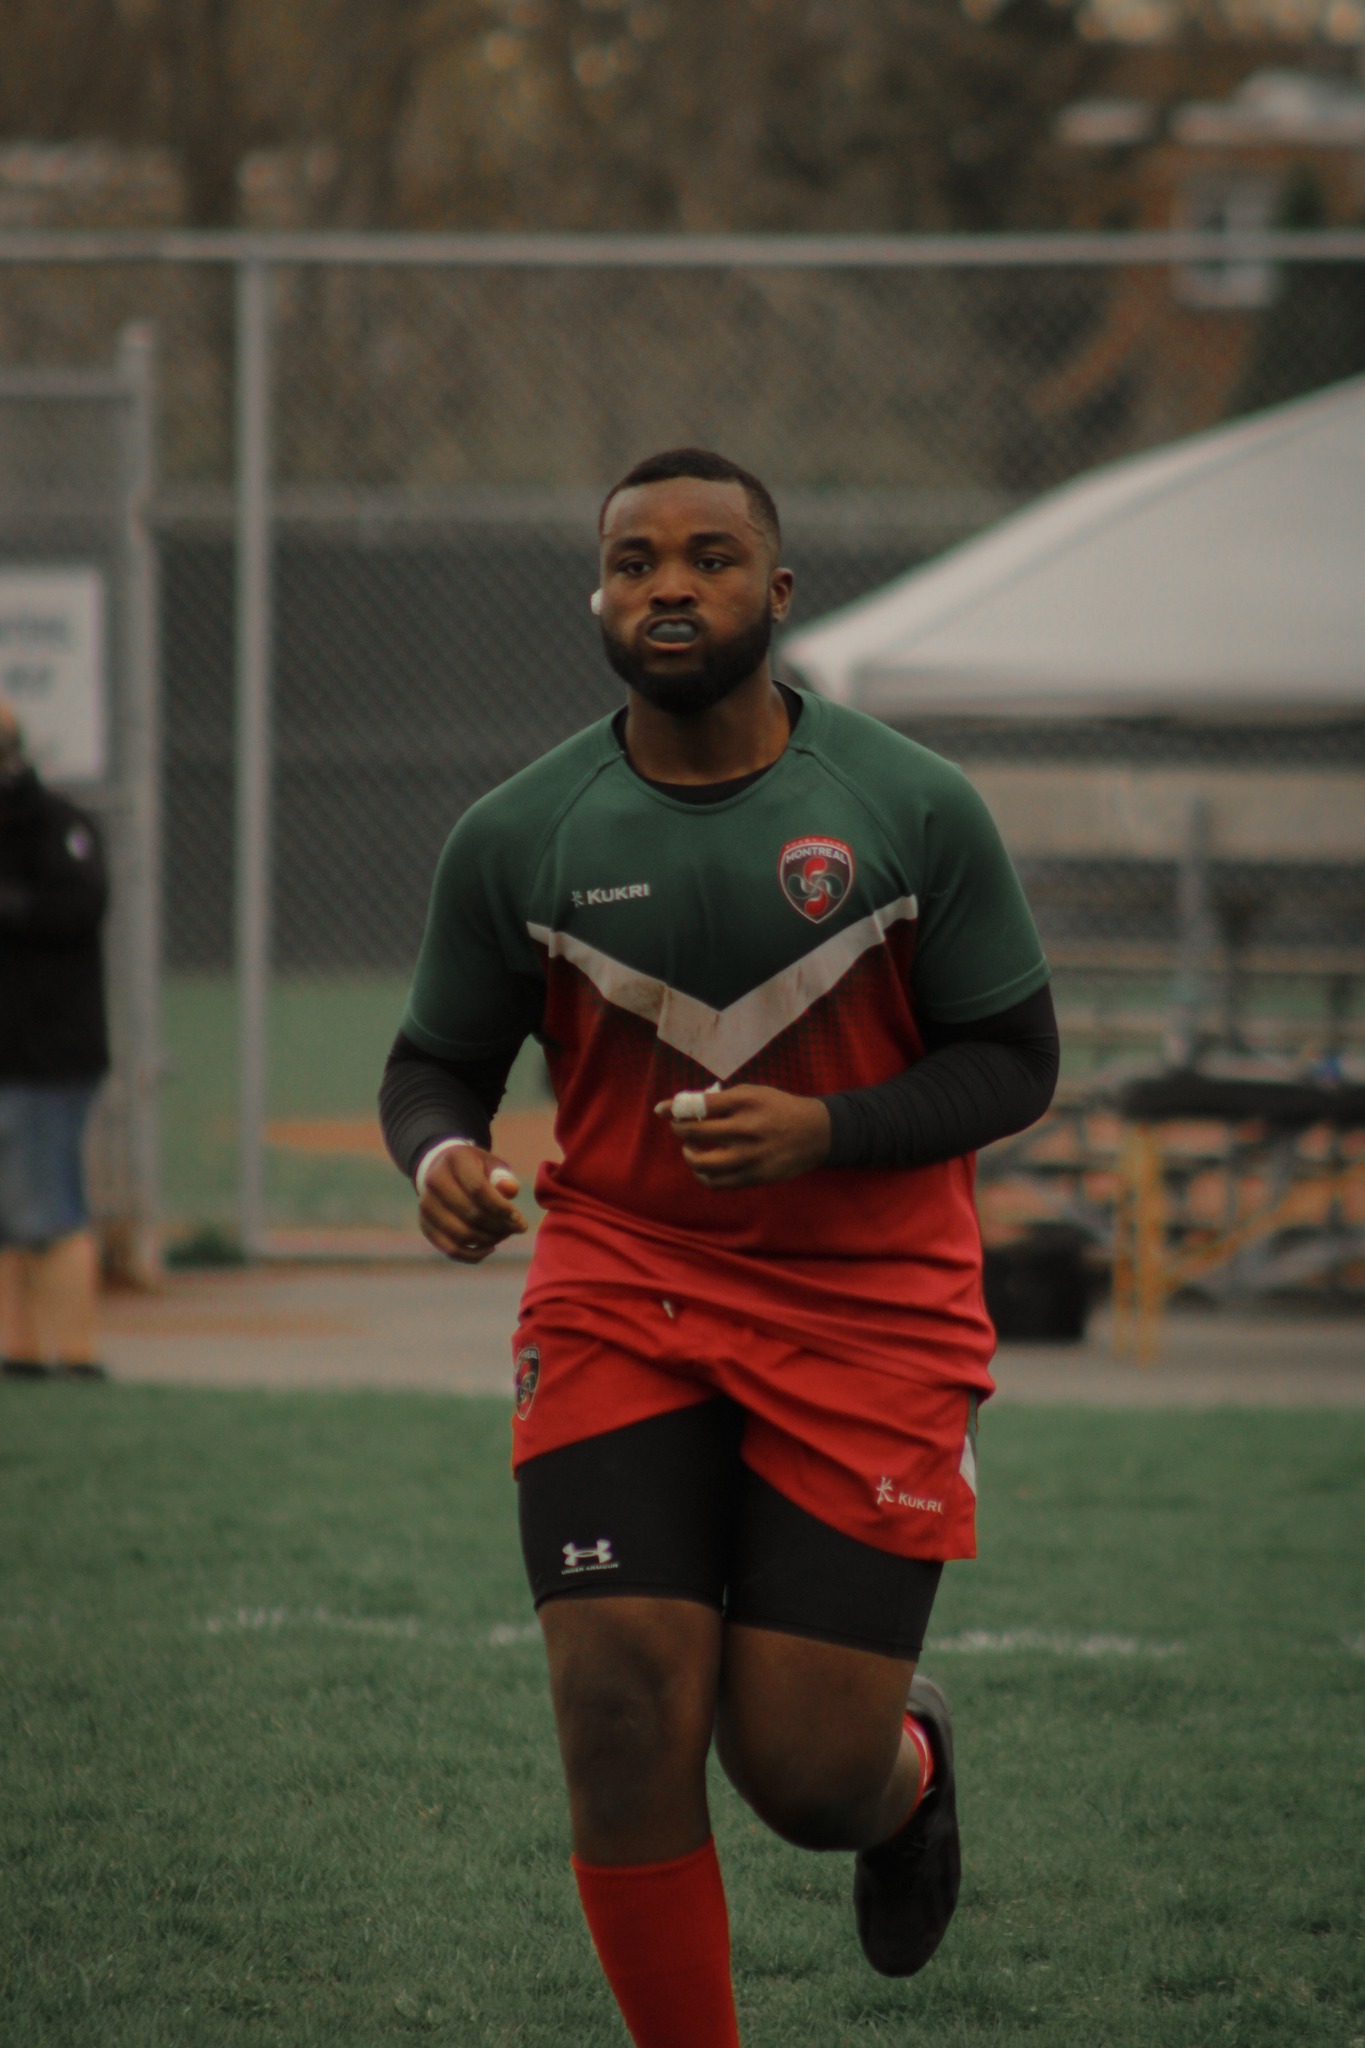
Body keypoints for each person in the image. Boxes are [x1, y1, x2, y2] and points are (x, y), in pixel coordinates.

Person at [380, 449, 1058, 2046]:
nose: (665, 586)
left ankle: (904, 1779)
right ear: (599, 595)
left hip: (873, 1307)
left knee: (806, 1782)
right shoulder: (518, 834)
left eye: (707, 557)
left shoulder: (907, 809)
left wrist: (826, 1133)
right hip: (623, 1286)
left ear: (779, 592)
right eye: (631, 562)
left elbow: (1013, 1063)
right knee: (614, 1700)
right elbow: (435, 1064)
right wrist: (445, 1159)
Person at [0, 697, 109, 1381]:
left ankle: (72, 1356)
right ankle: (18, 1352)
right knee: (11, 1216)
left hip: (44, 1053)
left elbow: (79, 906)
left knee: (48, 1208)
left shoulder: (57, 825)